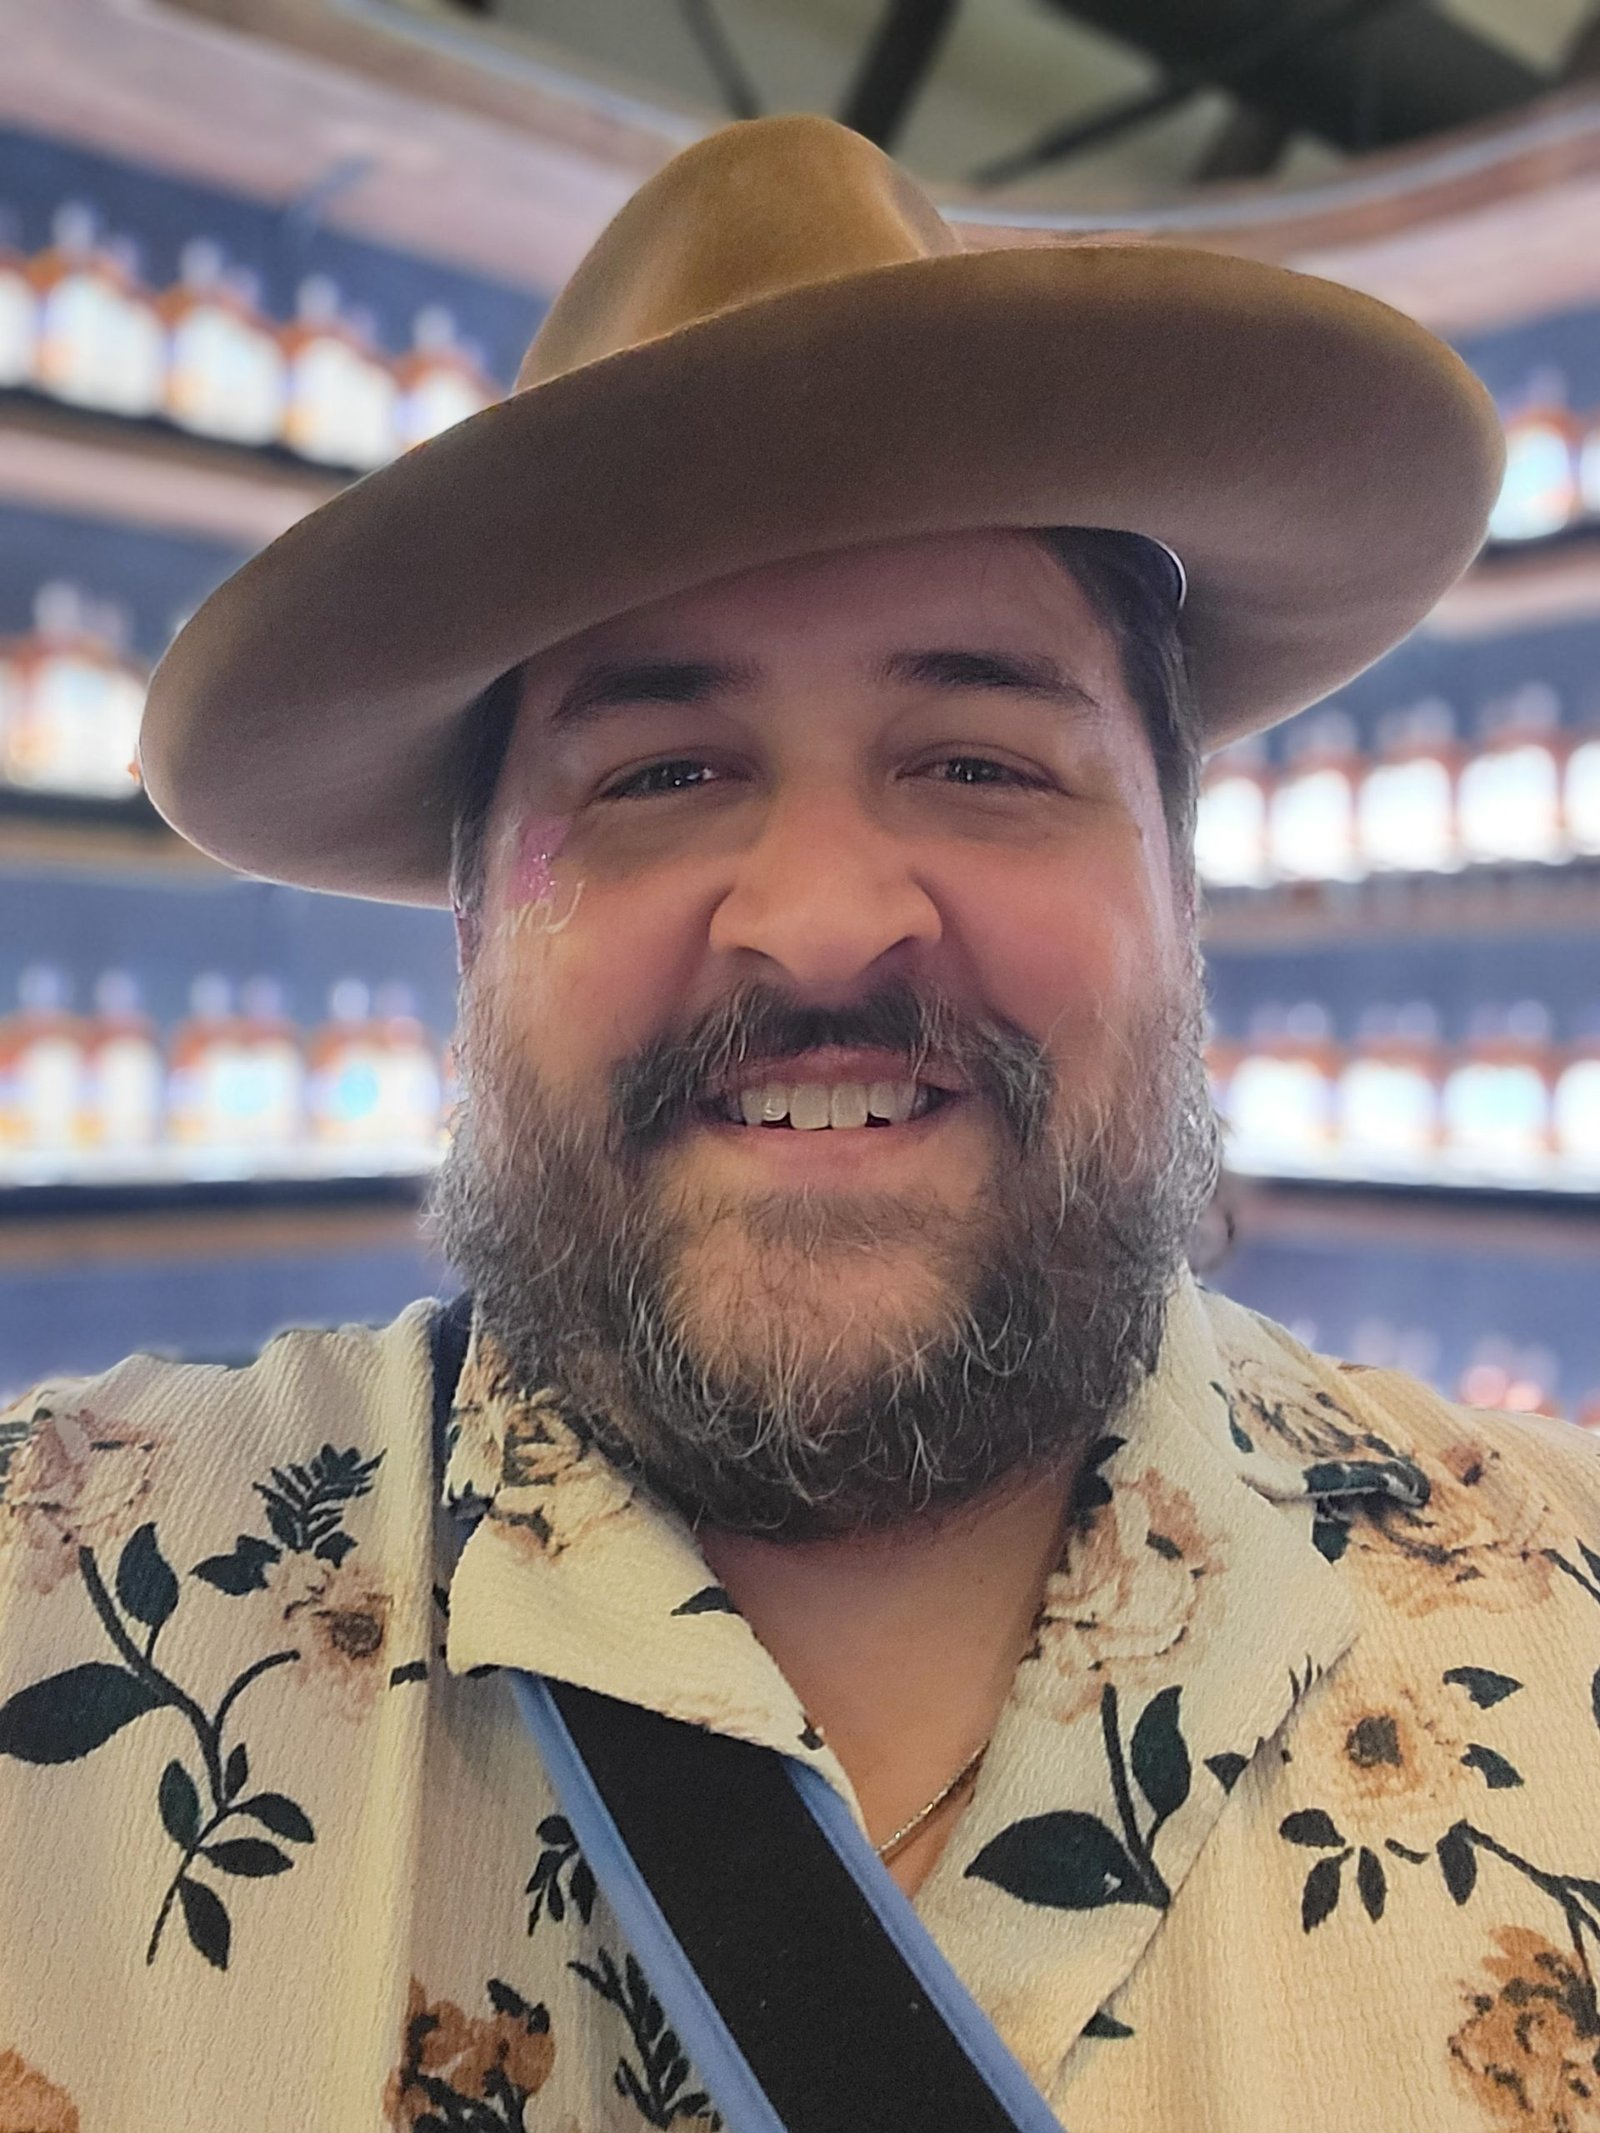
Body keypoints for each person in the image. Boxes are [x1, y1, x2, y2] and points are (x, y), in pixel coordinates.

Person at [0, 111, 1590, 2133]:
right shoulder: (53, 1610)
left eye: (979, 757)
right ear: (479, 919)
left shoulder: (1566, 1621)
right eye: (661, 772)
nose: (825, 912)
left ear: (1177, 890)